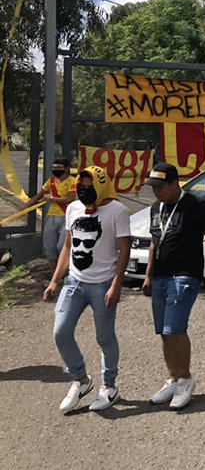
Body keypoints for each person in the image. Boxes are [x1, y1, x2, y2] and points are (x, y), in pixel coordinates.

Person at [42, 166, 130, 413]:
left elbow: (124, 249)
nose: (84, 191)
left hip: (103, 285)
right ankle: (81, 380)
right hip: (75, 282)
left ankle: (109, 386)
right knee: (61, 332)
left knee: (104, 337)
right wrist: (55, 280)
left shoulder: (117, 211)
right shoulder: (72, 208)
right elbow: (68, 247)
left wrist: (116, 284)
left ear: (101, 186)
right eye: (81, 187)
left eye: (90, 187)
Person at [142, 162, 205, 410]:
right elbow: (153, 243)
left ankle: (186, 379)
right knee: (164, 331)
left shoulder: (195, 206)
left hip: (185, 276)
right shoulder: (155, 208)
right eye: (153, 187)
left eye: (160, 187)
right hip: (160, 276)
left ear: (174, 183)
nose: (156, 192)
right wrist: (148, 276)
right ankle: (173, 378)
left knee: (175, 328)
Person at [26, 156, 77, 275]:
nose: (56, 170)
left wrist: (52, 198)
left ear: (66, 168)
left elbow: (70, 199)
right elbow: (39, 195)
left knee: (62, 247)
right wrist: (26, 205)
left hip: (66, 217)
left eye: (59, 168)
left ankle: (67, 273)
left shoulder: (72, 182)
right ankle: (54, 275)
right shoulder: (51, 181)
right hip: (52, 216)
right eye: (54, 168)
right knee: (50, 248)